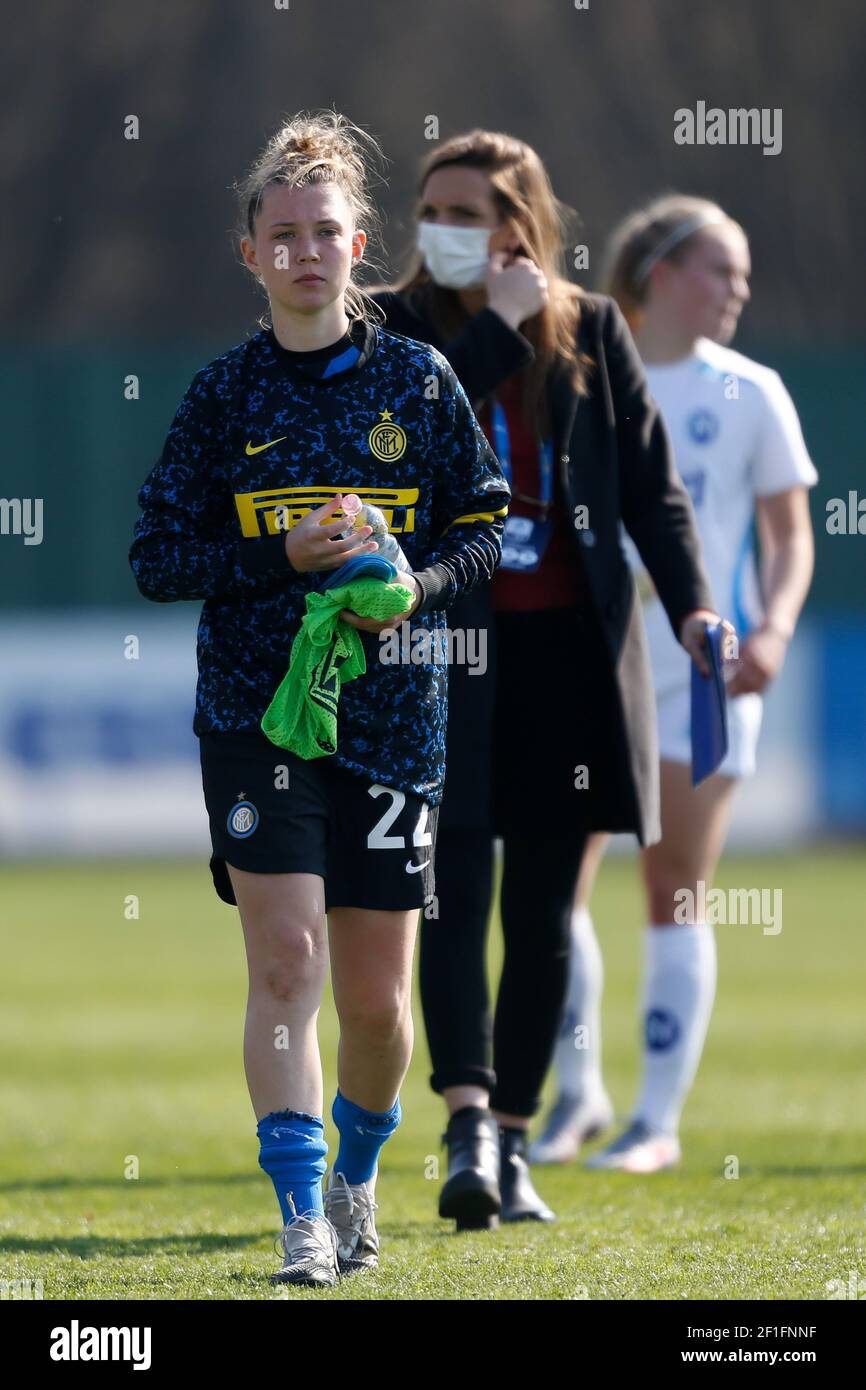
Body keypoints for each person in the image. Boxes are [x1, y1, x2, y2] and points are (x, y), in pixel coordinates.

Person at [128, 111, 509, 1286]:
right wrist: (272, 562)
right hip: (255, 716)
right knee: (284, 959)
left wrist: (416, 582)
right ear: (250, 254)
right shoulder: (222, 396)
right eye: (279, 234)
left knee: (379, 1004)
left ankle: (358, 1171)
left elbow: (486, 528)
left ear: (358, 246)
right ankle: (300, 1215)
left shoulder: (417, 378)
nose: (303, 250)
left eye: (324, 232)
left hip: (396, 716)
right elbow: (155, 558)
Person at [370, 133, 723, 1229]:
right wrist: (493, 332)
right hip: (442, 654)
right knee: (452, 895)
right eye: (430, 208)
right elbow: (395, 448)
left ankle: (513, 1132)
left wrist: (692, 602)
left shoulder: (593, 329)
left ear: (517, 224)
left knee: (541, 915)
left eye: (463, 211)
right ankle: (464, 1121)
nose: (439, 228)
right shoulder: (393, 325)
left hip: (571, 655)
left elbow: (651, 491)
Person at [531, 194, 817, 1173]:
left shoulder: (750, 392)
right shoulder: (574, 379)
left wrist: (771, 629)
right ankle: (574, 1095)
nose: (736, 288)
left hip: (698, 677)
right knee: (549, 889)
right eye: (718, 269)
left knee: (676, 892)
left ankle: (654, 1121)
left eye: (739, 273)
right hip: (583, 670)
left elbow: (788, 536)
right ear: (659, 275)